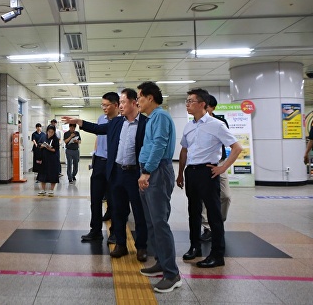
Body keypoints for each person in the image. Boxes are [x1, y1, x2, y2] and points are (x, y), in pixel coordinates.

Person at [63, 88, 148, 262]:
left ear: (134, 103)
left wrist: (146, 172)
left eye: (123, 102)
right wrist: (79, 121)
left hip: (135, 173)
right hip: (116, 172)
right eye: (120, 102)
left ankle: (141, 247)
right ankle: (121, 244)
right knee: (117, 210)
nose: (121, 105)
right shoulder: (117, 123)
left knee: (139, 211)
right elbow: (98, 129)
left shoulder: (145, 123)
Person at [176, 88, 242, 269]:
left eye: (191, 101)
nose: (187, 104)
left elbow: (237, 148)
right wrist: (181, 173)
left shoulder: (216, 124)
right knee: (193, 212)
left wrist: (223, 168)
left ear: (203, 104)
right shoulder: (189, 126)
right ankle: (195, 247)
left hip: (208, 172)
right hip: (191, 172)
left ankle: (217, 254)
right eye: (187, 101)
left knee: (213, 214)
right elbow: (184, 150)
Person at [136, 81, 180, 293]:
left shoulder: (160, 116)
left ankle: (172, 274)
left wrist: (147, 172)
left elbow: (160, 144)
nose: (137, 102)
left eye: (139, 97)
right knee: (151, 222)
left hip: (157, 172)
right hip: (149, 170)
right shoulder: (153, 118)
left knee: (160, 222)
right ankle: (162, 262)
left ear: (150, 97)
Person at [80, 92, 118, 242]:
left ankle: (115, 232)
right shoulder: (101, 119)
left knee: (114, 200)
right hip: (99, 162)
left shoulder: (121, 121)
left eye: (106, 105)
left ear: (115, 105)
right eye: (102, 105)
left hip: (113, 164)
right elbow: (98, 136)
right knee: (95, 198)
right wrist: (94, 155)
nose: (103, 108)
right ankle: (95, 230)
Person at [201, 95, 232, 242]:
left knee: (225, 195)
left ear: (212, 108)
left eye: (206, 107)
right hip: (204, 165)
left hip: (219, 163)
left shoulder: (221, 122)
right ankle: (208, 227)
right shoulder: (196, 123)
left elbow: (230, 143)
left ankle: (219, 223)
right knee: (205, 197)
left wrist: (223, 166)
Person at [37, 125, 60, 196]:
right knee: (42, 174)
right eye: (49, 132)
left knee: (52, 174)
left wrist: (48, 147)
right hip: (44, 158)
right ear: (47, 131)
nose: (50, 133)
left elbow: (55, 150)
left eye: (52, 132)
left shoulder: (55, 139)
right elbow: (39, 145)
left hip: (52, 159)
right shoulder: (43, 137)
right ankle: (43, 190)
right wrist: (42, 146)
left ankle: (51, 190)